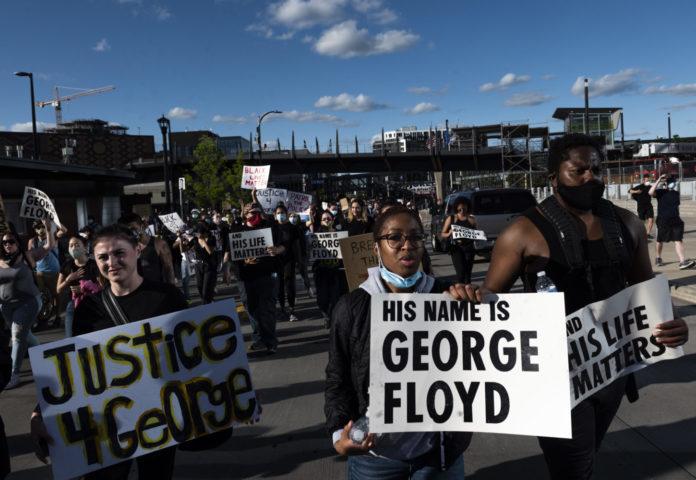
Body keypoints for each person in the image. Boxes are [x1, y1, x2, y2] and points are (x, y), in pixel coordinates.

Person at [454, 133, 689, 480]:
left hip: (611, 371)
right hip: (553, 377)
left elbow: (646, 291)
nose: (589, 178)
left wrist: (672, 324)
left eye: (596, 169)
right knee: (573, 468)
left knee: (585, 456)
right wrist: (467, 297)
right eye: (577, 171)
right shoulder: (521, 232)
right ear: (553, 179)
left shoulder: (628, 224)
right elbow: (491, 297)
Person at [30, 224, 188, 479]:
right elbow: (74, 366)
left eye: (119, 253)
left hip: (158, 413)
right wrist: (40, 411)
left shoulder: (168, 298)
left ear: (137, 251)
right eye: (103, 257)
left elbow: (193, 352)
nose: (111, 262)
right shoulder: (89, 309)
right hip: (108, 419)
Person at [325, 205, 471, 478]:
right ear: (376, 247)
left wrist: (475, 304)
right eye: (395, 238)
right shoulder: (351, 308)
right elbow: (338, 377)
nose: (407, 246)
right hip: (374, 458)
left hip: (439, 455)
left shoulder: (447, 297)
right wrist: (338, 435)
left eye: (416, 237)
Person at [0, 220, 54, 389]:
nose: (8, 245)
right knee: (24, 334)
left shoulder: (27, 256)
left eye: (11, 241)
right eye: (4, 242)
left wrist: (48, 228)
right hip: (6, 306)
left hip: (28, 302)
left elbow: (49, 246)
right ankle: (44, 356)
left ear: (17, 242)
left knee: (17, 335)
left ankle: (14, 375)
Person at [235, 203, 284, 353]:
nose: (252, 214)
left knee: (266, 308)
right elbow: (230, 251)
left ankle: (270, 341)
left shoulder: (269, 226)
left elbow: (283, 245)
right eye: (248, 211)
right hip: (245, 277)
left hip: (266, 274)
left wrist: (276, 250)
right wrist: (232, 265)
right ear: (244, 214)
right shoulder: (237, 229)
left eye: (255, 211)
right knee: (251, 308)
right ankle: (259, 338)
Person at [56, 236, 101, 337]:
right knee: (70, 337)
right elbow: (58, 289)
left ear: (85, 247)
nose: (73, 248)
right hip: (73, 306)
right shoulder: (67, 265)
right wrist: (69, 279)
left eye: (77, 245)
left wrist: (85, 289)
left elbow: (102, 287)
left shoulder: (93, 265)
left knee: (94, 336)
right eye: (71, 245)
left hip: (93, 305)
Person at [650, 174, 695, 269]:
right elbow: (650, 192)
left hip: (675, 220)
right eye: (670, 182)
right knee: (660, 240)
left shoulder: (676, 193)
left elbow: (676, 207)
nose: (672, 184)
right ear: (666, 184)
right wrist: (658, 180)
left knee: (678, 240)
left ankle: (682, 261)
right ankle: (658, 257)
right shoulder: (660, 192)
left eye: (673, 182)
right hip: (663, 220)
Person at [312, 210, 348, 327]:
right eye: (324, 219)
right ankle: (327, 314)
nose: (326, 220)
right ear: (321, 221)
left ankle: (332, 318)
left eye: (328, 218)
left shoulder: (339, 233)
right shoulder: (316, 235)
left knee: (335, 297)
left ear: (332, 220)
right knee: (322, 300)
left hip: (336, 272)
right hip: (321, 272)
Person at [119, 213, 176, 284]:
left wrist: (172, 292)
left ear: (142, 226)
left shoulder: (159, 244)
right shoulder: (123, 247)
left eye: (133, 229)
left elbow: (169, 269)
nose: (130, 233)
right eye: (126, 231)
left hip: (155, 291)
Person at [28, 220, 61, 327]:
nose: (40, 230)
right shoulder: (32, 241)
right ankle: (43, 317)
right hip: (39, 272)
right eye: (38, 228)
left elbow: (63, 231)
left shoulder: (52, 237)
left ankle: (57, 316)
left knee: (56, 295)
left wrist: (51, 225)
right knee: (40, 296)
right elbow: (30, 256)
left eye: (42, 227)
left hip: (54, 271)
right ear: (35, 230)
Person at [274, 204, 303, 321]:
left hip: (289, 259)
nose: (281, 215)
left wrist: (300, 261)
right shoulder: (272, 228)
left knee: (289, 284)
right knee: (279, 286)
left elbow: (297, 245)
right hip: (276, 260)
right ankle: (282, 308)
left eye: (282, 213)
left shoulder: (292, 228)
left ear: (286, 214)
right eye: (278, 213)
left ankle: (291, 309)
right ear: (275, 215)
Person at [440, 197, 477, 283]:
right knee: (460, 274)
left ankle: (468, 294)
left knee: (468, 275)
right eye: (460, 208)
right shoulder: (452, 218)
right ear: (456, 207)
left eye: (464, 208)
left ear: (468, 207)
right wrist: (449, 233)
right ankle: (460, 292)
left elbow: (476, 233)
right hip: (456, 248)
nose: (462, 210)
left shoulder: (471, 219)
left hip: (469, 248)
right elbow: (442, 233)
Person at [193, 222, 218, 304]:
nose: (197, 235)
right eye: (196, 233)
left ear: (204, 232)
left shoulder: (212, 238)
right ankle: (207, 301)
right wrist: (181, 240)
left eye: (198, 233)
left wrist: (203, 241)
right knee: (199, 286)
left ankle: (206, 305)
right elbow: (183, 249)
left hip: (209, 265)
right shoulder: (195, 239)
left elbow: (210, 252)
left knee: (206, 290)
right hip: (198, 265)